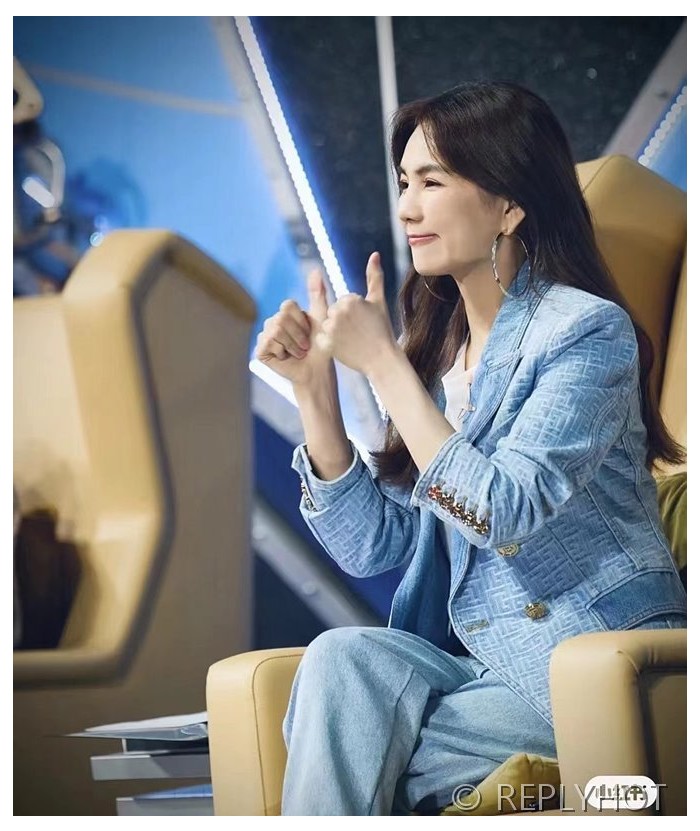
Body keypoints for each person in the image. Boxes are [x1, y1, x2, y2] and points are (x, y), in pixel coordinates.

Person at [254, 80, 687, 816]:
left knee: (353, 747)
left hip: (587, 658)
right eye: (404, 183)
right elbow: (375, 545)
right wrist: (314, 394)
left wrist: (383, 366)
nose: (406, 208)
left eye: (432, 182)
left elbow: (500, 510)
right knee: (340, 659)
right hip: (476, 662)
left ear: (509, 204)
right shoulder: (439, 350)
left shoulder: (586, 332)